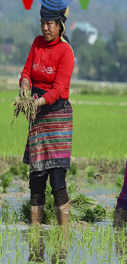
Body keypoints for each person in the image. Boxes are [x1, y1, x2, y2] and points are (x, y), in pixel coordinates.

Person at [19, 4, 75, 228]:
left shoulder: (65, 52)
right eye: (42, 23)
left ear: (60, 25)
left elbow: (58, 90)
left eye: (49, 24)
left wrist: (36, 103)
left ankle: (63, 235)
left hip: (57, 118)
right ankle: (35, 231)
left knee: (57, 180)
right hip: (38, 119)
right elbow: (26, 71)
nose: (45, 28)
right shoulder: (36, 43)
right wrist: (25, 83)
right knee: (36, 178)